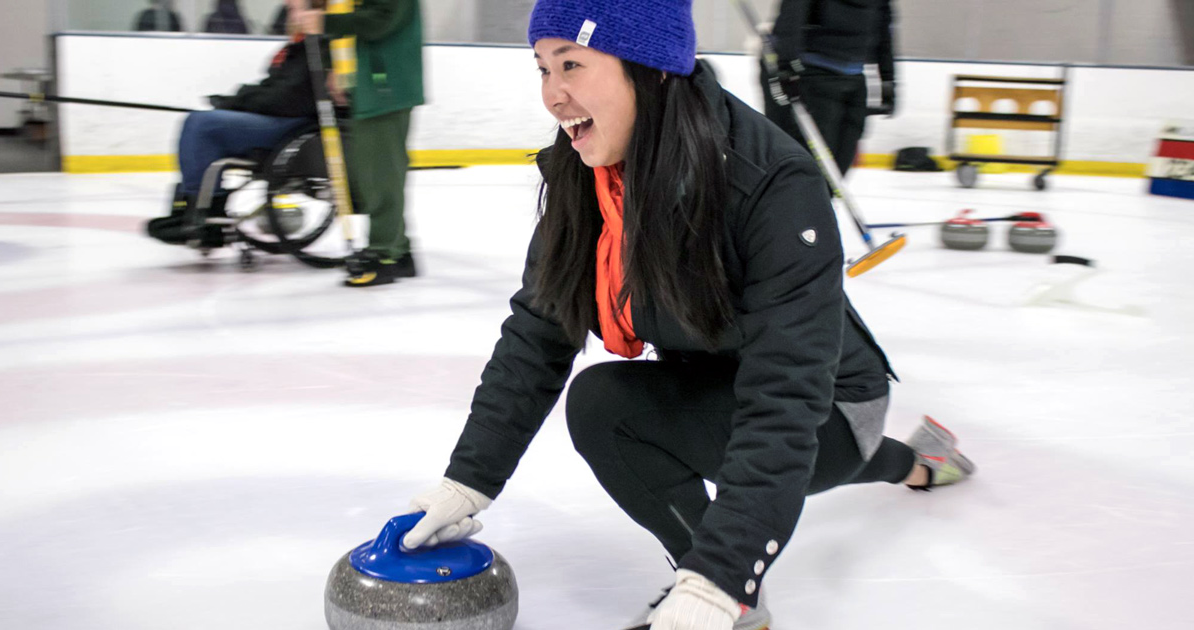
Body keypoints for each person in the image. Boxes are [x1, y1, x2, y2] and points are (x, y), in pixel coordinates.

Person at [394, 2, 974, 630]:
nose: (553, 97)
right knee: (604, 405)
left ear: (652, 70)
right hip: (714, 373)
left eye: (572, 65)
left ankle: (903, 468)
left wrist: (722, 577)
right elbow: (539, 330)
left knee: (840, 451)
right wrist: (469, 480)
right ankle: (915, 462)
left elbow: (784, 398)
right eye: (541, 69)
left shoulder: (771, 180)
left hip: (827, 401)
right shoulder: (584, 172)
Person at [146, 0, 328, 246]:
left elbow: (288, 98)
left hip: (291, 125)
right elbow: (273, 88)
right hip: (280, 118)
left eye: (297, 8)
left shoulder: (318, 44)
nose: (292, 13)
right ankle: (198, 210)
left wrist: (238, 103)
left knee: (202, 125)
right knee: (203, 125)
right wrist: (234, 100)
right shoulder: (300, 44)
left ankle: (205, 211)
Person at [295, 0, 424, 287]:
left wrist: (325, 22)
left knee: (380, 175)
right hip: (373, 83)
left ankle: (384, 255)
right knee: (374, 172)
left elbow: (380, 20)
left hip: (385, 85)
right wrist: (339, 68)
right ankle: (398, 250)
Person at [764, 0, 897, 176]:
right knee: (810, 164)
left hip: (855, 78)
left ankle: (820, 200)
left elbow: (883, 22)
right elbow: (793, 13)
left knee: (839, 165)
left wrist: (887, 78)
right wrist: (786, 65)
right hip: (814, 73)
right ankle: (802, 200)